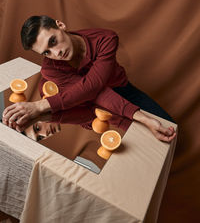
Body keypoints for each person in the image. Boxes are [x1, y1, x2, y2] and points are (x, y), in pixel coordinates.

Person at [2, 15, 176, 142]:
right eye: (46, 52)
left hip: (124, 92)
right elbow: (91, 97)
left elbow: (93, 87)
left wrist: (39, 106)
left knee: (170, 129)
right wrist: (144, 120)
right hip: (92, 109)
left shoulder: (105, 39)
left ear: (60, 25)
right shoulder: (50, 68)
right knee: (152, 145)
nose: (57, 53)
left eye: (53, 41)